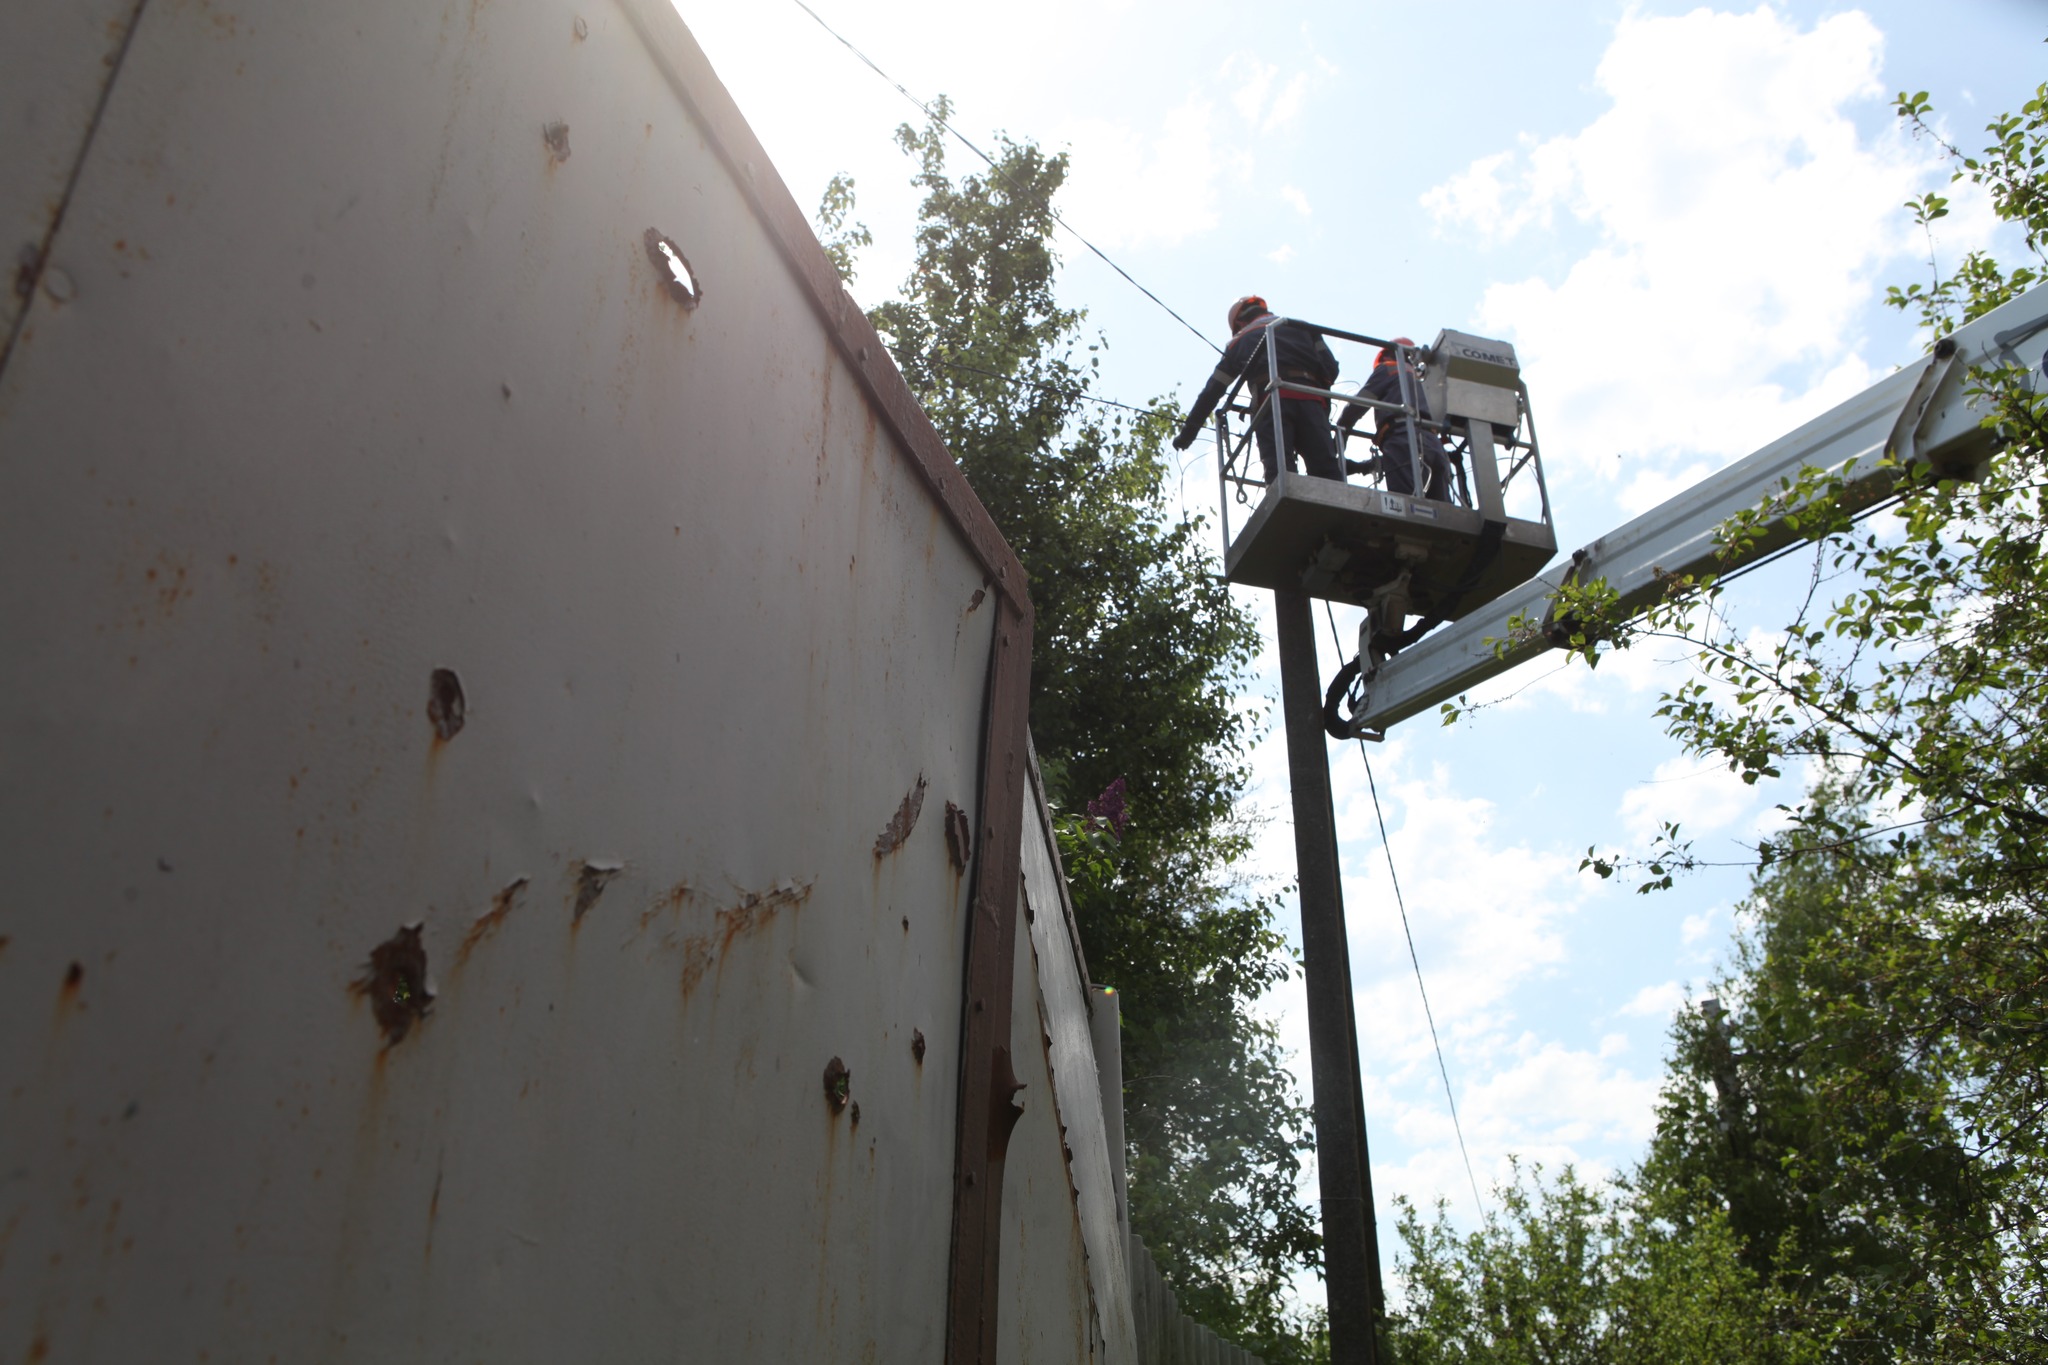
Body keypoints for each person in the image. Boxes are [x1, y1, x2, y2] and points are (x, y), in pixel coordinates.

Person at [1172, 296, 1343, 482]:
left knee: (1280, 473)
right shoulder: (1302, 327)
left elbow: (1212, 392)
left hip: (1270, 404)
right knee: (1327, 472)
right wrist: (1317, 392)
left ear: (1239, 323)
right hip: (1313, 400)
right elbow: (1330, 369)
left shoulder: (1240, 341)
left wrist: (1187, 435)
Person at [1337, 338, 1455, 502]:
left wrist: (1341, 432)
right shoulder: (1422, 381)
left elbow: (1358, 405)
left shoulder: (1389, 369)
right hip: (1434, 445)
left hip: (1403, 439)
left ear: (1388, 354)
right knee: (1444, 512)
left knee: (1406, 504)